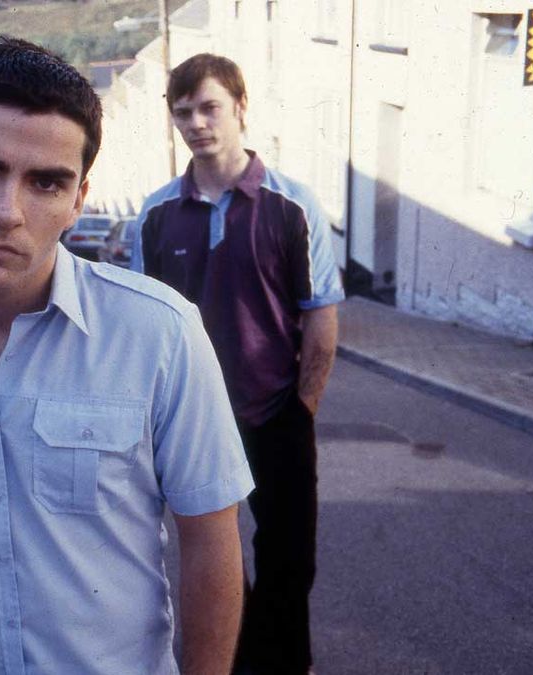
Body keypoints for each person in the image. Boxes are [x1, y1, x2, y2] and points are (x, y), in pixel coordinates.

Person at [0, 36, 255, 675]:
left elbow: (211, 536)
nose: (7, 212)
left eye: (45, 182)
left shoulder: (160, 333)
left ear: (78, 199)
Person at [132, 53, 345, 675]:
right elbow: (146, 323)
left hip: (276, 412)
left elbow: (320, 317)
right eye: (183, 112)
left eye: (209, 107)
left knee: (289, 560)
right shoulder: (154, 214)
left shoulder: (292, 205)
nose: (197, 122)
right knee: (214, 559)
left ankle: (278, 664)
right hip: (194, 421)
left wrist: (302, 409)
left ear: (240, 108)